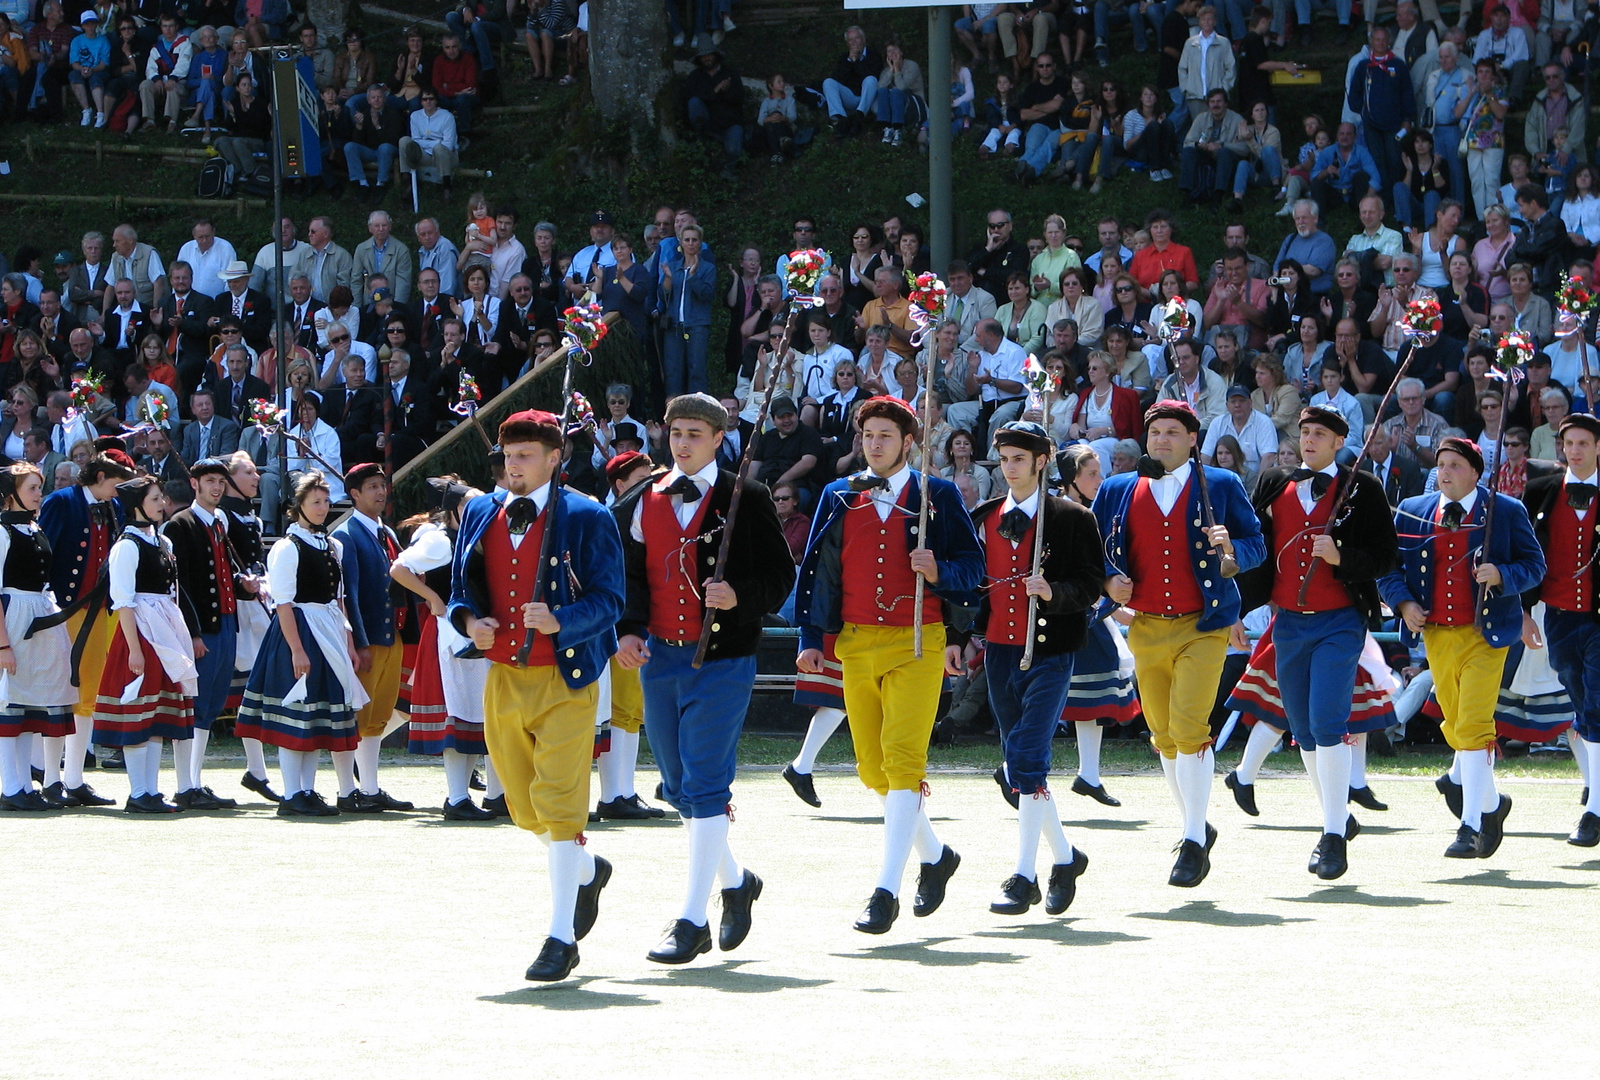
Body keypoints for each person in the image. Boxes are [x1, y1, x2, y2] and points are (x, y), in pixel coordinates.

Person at [612, 392, 791, 963]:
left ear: (719, 438)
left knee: (707, 783)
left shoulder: (749, 495)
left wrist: (740, 596)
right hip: (658, 659)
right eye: (675, 433)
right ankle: (738, 883)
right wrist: (628, 629)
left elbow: (780, 574)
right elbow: (631, 575)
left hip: (722, 659)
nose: (682, 443)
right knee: (680, 789)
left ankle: (691, 919)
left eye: (694, 433)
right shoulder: (645, 497)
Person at [448, 409, 626, 983]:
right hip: (503, 677)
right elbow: (459, 589)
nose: (514, 466)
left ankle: (560, 936)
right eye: (508, 456)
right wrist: (468, 620)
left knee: (558, 804)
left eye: (526, 456)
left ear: (555, 459)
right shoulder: (479, 510)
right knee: (524, 810)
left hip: (567, 681)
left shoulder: (588, 515)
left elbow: (611, 600)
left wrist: (561, 620)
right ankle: (586, 869)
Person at [794, 395, 983, 933]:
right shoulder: (837, 495)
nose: (875, 444)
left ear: (908, 442)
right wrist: (811, 636)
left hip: (918, 643)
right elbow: (816, 572)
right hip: (854, 642)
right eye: (868, 435)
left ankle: (884, 891)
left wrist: (938, 569)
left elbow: (973, 568)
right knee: (872, 770)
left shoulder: (937, 496)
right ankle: (937, 854)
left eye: (885, 435)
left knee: (902, 765)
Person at [1091, 399, 1264, 886]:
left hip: (1203, 626)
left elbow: (1257, 546)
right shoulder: (1119, 488)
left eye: (1173, 431)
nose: (1162, 439)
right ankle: (1197, 822)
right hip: (1145, 626)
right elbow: (1095, 550)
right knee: (1163, 736)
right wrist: (1108, 582)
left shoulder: (1222, 484)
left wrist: (1231, 547)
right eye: (1155, 431)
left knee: (1190, 731)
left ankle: (1191, 839)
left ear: (1193, 439)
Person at [1233, 405, 1398, 878]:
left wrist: (1343, 556)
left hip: (1340, 622)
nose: (1308, 439)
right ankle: (1340, 817)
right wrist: (1238, 608)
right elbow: (1254, 547)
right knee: (1302, 729)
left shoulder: (1363, 488)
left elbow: (1386, 556)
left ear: (1338, 442)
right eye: (1304, 431)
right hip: (1287, 621)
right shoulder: (1272, 482)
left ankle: (1330, 835)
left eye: (1319, 433)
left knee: (1328, 722)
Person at [1379, 436, 1543, 858]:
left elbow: (1535, 566)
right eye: (1441, 464)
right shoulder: (1413, 511)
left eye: (1454, 464)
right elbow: (1389, 569)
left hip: (1487, 636)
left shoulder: (1505, 510)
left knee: (1472, 726)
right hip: (1435, 635)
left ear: (1475, 471)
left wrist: (1502, 574)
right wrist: (1404, 602)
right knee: (1455, 726)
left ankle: (1469, 826)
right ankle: (1492, 805)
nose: (1445, 471)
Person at [967, 420, 1102, 915]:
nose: (1009, 468)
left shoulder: (1072, 517)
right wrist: (967, 637)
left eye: (1019, 459)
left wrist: (1054, 593)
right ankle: (1065, 858)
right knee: (1019, 760)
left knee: (1024, 757)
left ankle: (1024, 877)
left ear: (1042, 462)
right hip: (1001, 650)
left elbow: (1091, 584)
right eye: (1003, 460)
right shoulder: (984, 515)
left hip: (1051, 650)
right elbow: (976, 585)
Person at [234, 471, 366, 817]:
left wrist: (348, 642)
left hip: (328, 632)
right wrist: (296, 649)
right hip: (300, 632)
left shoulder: (332, 545)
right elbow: (284, 603)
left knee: (317, 717)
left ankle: (306, 790)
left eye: (325, 501)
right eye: (315, 502)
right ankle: (293, 792)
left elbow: (340, 601)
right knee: (297, 712)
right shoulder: (287, 547)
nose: (323, 508)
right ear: (299, 506)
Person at [390, 478, 501, 820]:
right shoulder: (440, 539)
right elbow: (399, 568)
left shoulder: (482, 536)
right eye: (469, 504)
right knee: (460, 714)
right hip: (452, 637)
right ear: (453, 510)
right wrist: (434, 598)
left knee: (487, 717)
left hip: (482, 635)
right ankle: (456, 798)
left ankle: (496, 795)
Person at [91, 475, 195, 814]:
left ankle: (150, 790)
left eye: (161, 498)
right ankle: (138, 791)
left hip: (162, 630)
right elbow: (123, 601)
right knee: (139, 713)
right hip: (140, 633)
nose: (162, 504)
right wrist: (134, 649)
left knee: (156, 715)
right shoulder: (127, 546)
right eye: (154, 499)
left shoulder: (161, 541)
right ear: (138, 506)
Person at [1521, 414, 1600, 846]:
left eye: (1584, 442)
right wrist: (1524, 611)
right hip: (1558, 615)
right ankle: (1594, 787)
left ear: (1597, 447)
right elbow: (1525, 552)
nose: (1575, 450)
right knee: (1579, 695)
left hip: (1599, 615)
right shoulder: (1541, 491)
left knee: (1596, 706)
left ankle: (1594, 812)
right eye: (1569, 442)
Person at [164, 456, 259, 810]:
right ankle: (185, 784)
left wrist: (241, 583)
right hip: (203, 628)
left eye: (221, 481)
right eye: (209, 481)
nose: (216, 488)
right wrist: (193, 632)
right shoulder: (180, 524)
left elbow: (221, 573)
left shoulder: (220, 520)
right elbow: (183, 585)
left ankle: (194, 781)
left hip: (226, 621)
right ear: (195, 484)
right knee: (195, 704)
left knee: (211, 705)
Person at [39, 450, 132, 798]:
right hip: (63, 610)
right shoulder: (62, 501)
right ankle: (50, 779)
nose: (119, 491)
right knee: (59, 692)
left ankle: (75, 779)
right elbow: (44, 553)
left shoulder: (114, 507)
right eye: (117, 483)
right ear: (100, 478)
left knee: (88, 694)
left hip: (100, 611)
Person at [328, 462, 411, 813]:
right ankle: (351, 789)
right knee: (359, 714)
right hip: (370, 638)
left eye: (382, 485)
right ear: (354, 494)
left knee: (379, 714)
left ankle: (372, 786)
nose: (380, 492)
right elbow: (352, 596)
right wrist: (358, 642)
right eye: (372, 487)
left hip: (393, 635)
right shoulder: (347, 535)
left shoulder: (386, 533)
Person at [0, 464, 81, 811]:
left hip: (38, 617)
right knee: (8, 705)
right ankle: (10, 784)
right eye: (32, 488)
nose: (38, 495)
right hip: (14, 619)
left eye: (39, 487)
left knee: (27, 709)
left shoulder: (34, 528)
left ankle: (23, 785)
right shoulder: (2, 533)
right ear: (10, 494)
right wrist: (3, 644)